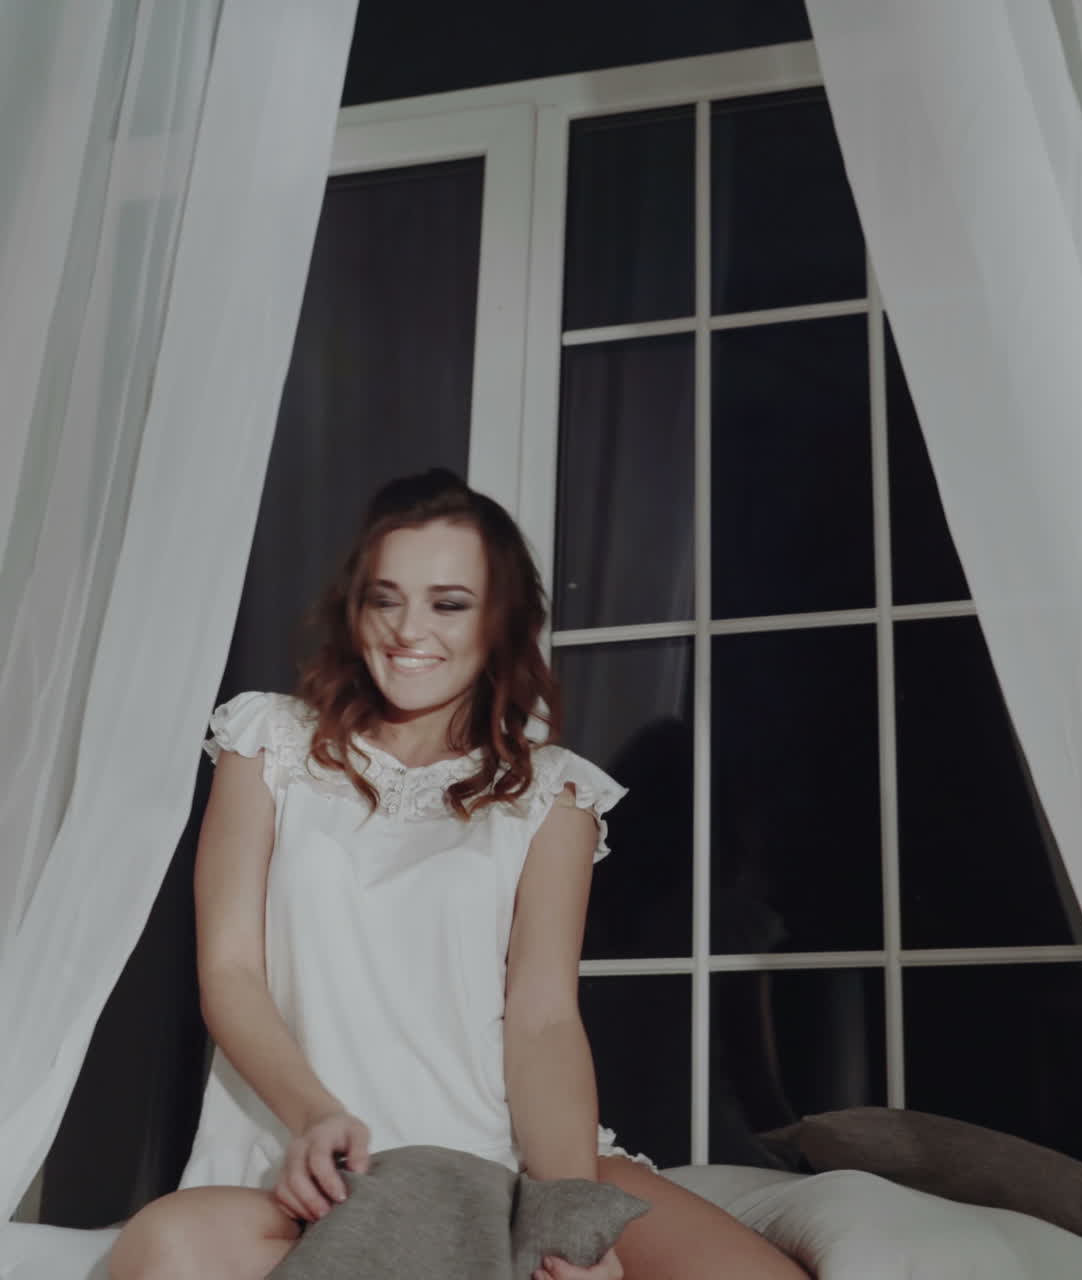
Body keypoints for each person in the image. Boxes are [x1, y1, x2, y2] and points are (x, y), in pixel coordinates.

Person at [109, 470, 808, 1279]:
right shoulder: (267, 743)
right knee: (161, 1248)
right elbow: (230, 971)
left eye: (448, 603)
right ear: (354, 608)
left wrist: (572, 1219)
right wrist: (316, 1116)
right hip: (321, 1164)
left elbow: (543, 1020)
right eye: (385, 598)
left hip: (496, 1156)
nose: (410, 630)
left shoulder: (554, 795)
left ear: (500, 622)